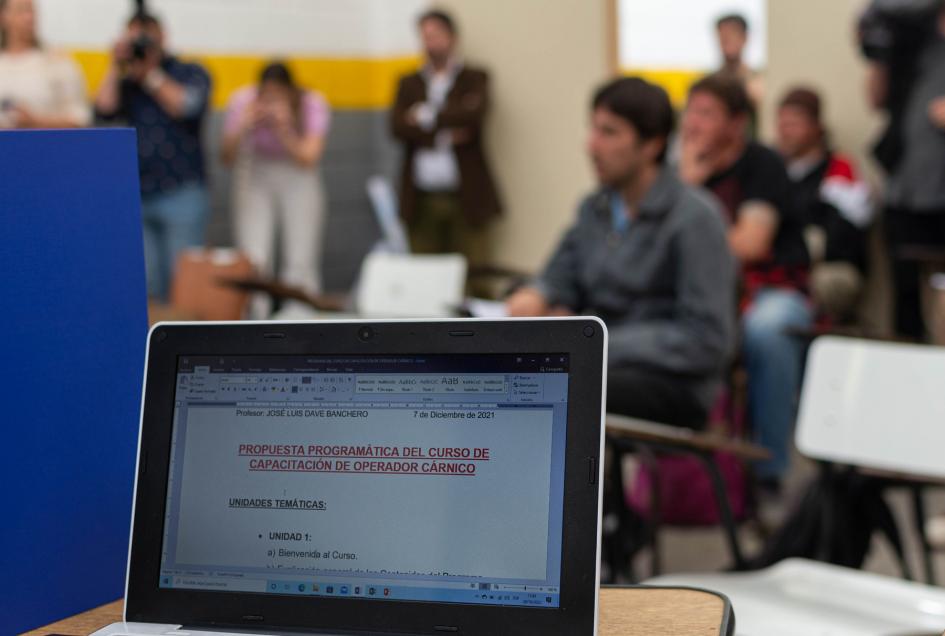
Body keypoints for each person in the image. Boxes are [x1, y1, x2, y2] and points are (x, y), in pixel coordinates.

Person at [507, 77, 735, 429]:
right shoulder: (595, 208)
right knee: (515, 378)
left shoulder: (694, 218)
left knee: (556, 389)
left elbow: (706, 339)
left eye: (609, 132)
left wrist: (597, 342)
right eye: (592, 130)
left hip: (671, 382)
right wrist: (537, 295)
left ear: (652, 145)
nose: (591, 145)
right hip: (600, 364)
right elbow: (559, 275)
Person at [679, 73, 811, 487]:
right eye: (690, 111)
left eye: (706, 113)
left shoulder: (762, 164)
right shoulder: (677, 169)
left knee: (765, 332)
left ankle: (769, 468)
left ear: (737, 124)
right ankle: (680, 474)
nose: (692, 124)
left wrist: (688, 195)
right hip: (704, 293)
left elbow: (750, 244)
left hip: (770, 289)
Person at [94, 11, 212, 301]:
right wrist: (114, 64)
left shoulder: (189, 71)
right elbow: (101, 112)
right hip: (138, 194)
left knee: (184, 284)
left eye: (146, 35)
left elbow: (186, 107)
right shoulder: (126, 81)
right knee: (146, 284)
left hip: (181, 191)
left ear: (162, 35)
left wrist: (150, 74)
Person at [390, 9, 502, 282]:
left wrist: (424, 117)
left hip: (466, 195)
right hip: (422, 196)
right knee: (426, 277)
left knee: (474, 274)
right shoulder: (409, 82)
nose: (431, 42)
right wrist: (447, 129)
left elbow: (473, 117)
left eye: (436, 34)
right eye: (425, 36)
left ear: (452, 37)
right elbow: (397, 127)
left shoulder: (474, 77)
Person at [862, 1, 945, 341]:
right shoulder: (912, 33)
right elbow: (876, 98)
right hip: (905, 192)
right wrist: (879, 53)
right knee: (906, 297)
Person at [221, 62, 330, 317]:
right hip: (255, 174)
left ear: (291, 92)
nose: (270, 103)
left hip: (297, 174)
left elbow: (309, 157)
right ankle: (257, 315)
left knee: (300, 255)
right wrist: (243, 126)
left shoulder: (312, 103)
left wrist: (285, 130)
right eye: (266, 96)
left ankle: (300, 315)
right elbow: (225, 158)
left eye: (277, 97)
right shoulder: (242, 101)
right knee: (254, 254)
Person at [776, 87, 874, 323]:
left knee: (826, 281)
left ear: (816, 127)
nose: (785, 132)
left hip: (830, 266)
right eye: (782, 124)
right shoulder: (773, 169)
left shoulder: (838, 169)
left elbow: (844, 237)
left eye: (794, 124)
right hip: (782, 265)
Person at [0, 0, 90, 129]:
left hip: (46, 145)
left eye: (32, 11)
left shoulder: (58, 61)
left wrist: (35, 122)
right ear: (3, 16)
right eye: (21, 11)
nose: (29, 17)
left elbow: (80, 118)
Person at [715, 13, 763, 111]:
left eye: (731, 36)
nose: (725, 43)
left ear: (744, 37)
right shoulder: (712, 83)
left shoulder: (758, 82)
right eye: (722, 38)